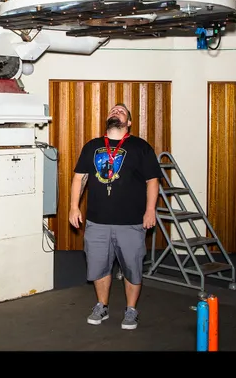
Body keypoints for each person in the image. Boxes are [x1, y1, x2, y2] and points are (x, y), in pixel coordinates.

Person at [69, 103, 162, 330]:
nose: (115, 111)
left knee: (132, 268)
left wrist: (150, 210)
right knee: (99, 267)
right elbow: (79, 178)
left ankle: (131, 310)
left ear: (129, 122)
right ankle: (102, 305)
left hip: (131, 222)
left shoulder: (141, 147)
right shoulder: (92, 146)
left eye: (121, 111)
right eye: (112, 110)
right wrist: (74, 206)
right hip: (97, 221)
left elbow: (152, 180)